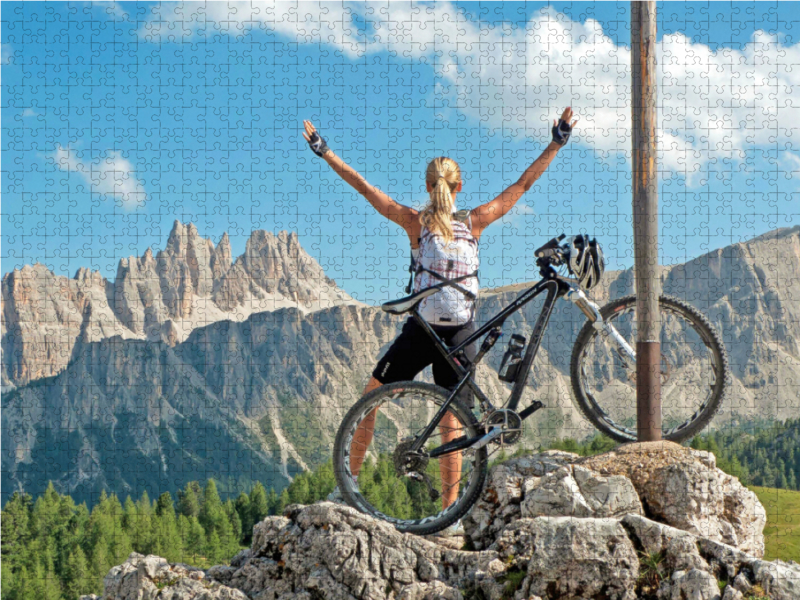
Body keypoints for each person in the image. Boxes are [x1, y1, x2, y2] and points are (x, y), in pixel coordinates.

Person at [302, 108, 576, 532]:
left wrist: (326, 153)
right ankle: (448, 518)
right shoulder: (476, 221)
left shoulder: (416, 222)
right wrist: (556, 142)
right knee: (454, 425)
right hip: (462, 332)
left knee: (368, 402)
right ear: (458, 186)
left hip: (422, 330)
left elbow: (366, 190)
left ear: (428, 188)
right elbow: (522, 185)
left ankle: (348, 490)